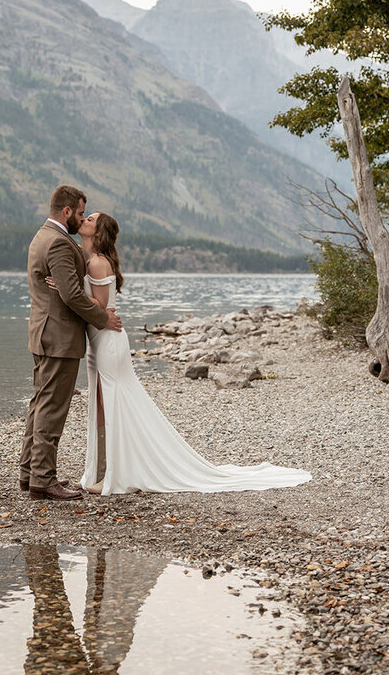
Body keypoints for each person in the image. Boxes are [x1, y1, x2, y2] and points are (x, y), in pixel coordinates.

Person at [71, 210, 312, 496]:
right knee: (103, 404)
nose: (84, 220)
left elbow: (99, 307)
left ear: (98, 232)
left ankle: (115, 474)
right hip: (100, 339)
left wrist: (68, 290)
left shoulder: (98, 263)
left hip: (107, 339)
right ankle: (103, 470)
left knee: (112, 403)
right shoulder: (89, 259)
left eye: (90, 220)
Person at [19, 185, 122, 501]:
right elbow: (73, 295)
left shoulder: (43, 237)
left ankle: (29, 473)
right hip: (59, 338)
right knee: (52, 408)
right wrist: (104, 319)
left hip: (43, 334)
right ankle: (42, 479)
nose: (81, 218)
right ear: (67, 212)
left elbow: (67, 289)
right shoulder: (61, 245)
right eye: (80, 213)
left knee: (40, 404)